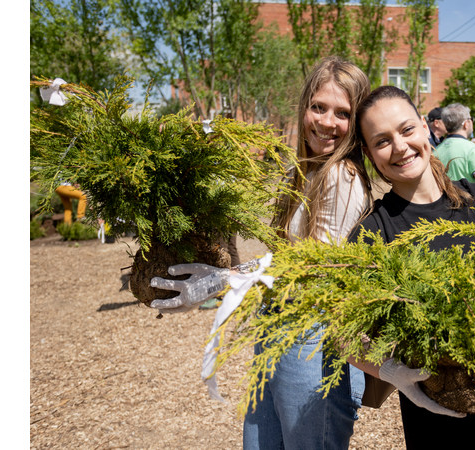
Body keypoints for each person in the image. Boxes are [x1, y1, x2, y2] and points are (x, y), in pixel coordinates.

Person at [149, 56, 373, 450]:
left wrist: (222, 281)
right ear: (304, 106)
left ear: (356, 124)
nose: (326, 122)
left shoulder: (343, 176)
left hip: (315, 345)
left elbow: (308, 270)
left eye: (343, 113)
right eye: (318, 107)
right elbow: (284, 254)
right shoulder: (306, 171)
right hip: (278, 331)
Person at [347, 85, 475, 450]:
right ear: (371, 155)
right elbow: (341, 331)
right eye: (382, 141)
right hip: (436, 406)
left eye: (406, 130)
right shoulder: (374, 232)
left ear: (425, 127)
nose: (400, 147)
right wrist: (391, 373)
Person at [433, 103, 475, 190]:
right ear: (466, 123)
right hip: (470, 202)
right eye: (471, 119)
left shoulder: (435, 151)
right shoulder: (473, 149)